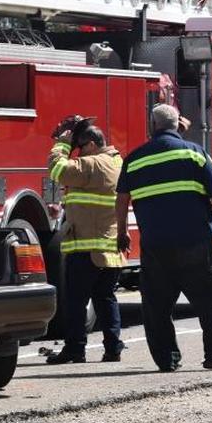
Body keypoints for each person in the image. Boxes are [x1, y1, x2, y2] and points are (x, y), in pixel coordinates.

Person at [115, 104, 212, 372]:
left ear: (152, 125)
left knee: (156, 306)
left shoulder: (134, 159)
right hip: (196, 243)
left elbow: (122, 200)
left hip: (156, 246)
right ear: (177, 125)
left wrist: (122, 232)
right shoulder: (195, 154)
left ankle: (167, 360)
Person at [43, 117, 126, 364]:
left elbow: (57, 170)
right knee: (106, 298)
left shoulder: (92, 164)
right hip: (108, 247)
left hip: (86, 248)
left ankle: (75, 349)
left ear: (90, 144)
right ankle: (113, 348)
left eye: (80, 147)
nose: (77, 152)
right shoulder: (116, 161)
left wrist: (62, 145)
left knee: (76, 301)